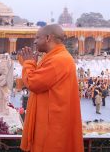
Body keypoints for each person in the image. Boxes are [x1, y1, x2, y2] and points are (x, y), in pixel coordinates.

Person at [19, 24, 83, 152]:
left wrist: (28, 63)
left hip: (52, 126)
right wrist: (30, 64)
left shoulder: (59, 60)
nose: (35, 41)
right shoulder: (55, 57)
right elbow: (42, 81)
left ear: (48, 38)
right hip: (49, 122)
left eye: (37, 37)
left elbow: (33, 83)